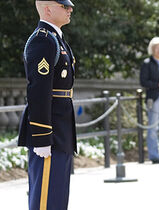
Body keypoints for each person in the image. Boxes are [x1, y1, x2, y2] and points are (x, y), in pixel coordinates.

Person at [17, 0, 76, 209]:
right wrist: (42, 136)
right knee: (45, 199)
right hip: (50, 131)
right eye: (64, 6)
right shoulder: (43, 40)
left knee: (57, 195)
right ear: (48, 9)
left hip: (60, 129)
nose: (70, 9)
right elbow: (38, 91)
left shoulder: (56, 39)